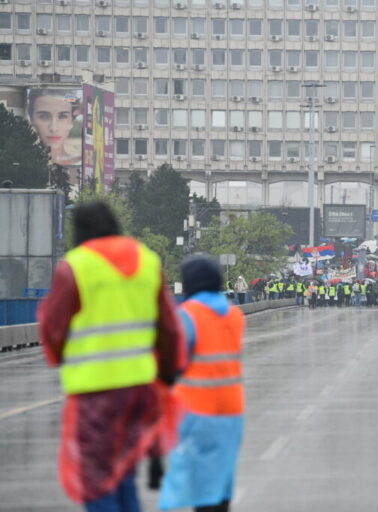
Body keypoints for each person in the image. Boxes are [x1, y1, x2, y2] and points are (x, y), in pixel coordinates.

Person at [38, 201, 183, 512]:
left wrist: (60, 356)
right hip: (140, 389)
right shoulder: (148, 261)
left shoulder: (75, 266)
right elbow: (169, 329)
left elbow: (53, 330)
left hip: (95, 392)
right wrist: (168, 373)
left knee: (97, 480)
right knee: (124, 473)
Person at [159, 255, 245, 512]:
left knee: (201, 482)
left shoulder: (188, 315)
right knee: (223, 474)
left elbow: (172, 361)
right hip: (232, 408)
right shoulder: (234, 314)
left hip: (197, 408)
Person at [28, 88, 82, 166]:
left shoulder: (85, 165)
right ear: (32, 120)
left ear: (71, 121)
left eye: (62, 116)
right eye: (43, 116)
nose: (53, 128)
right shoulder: (19, 165)